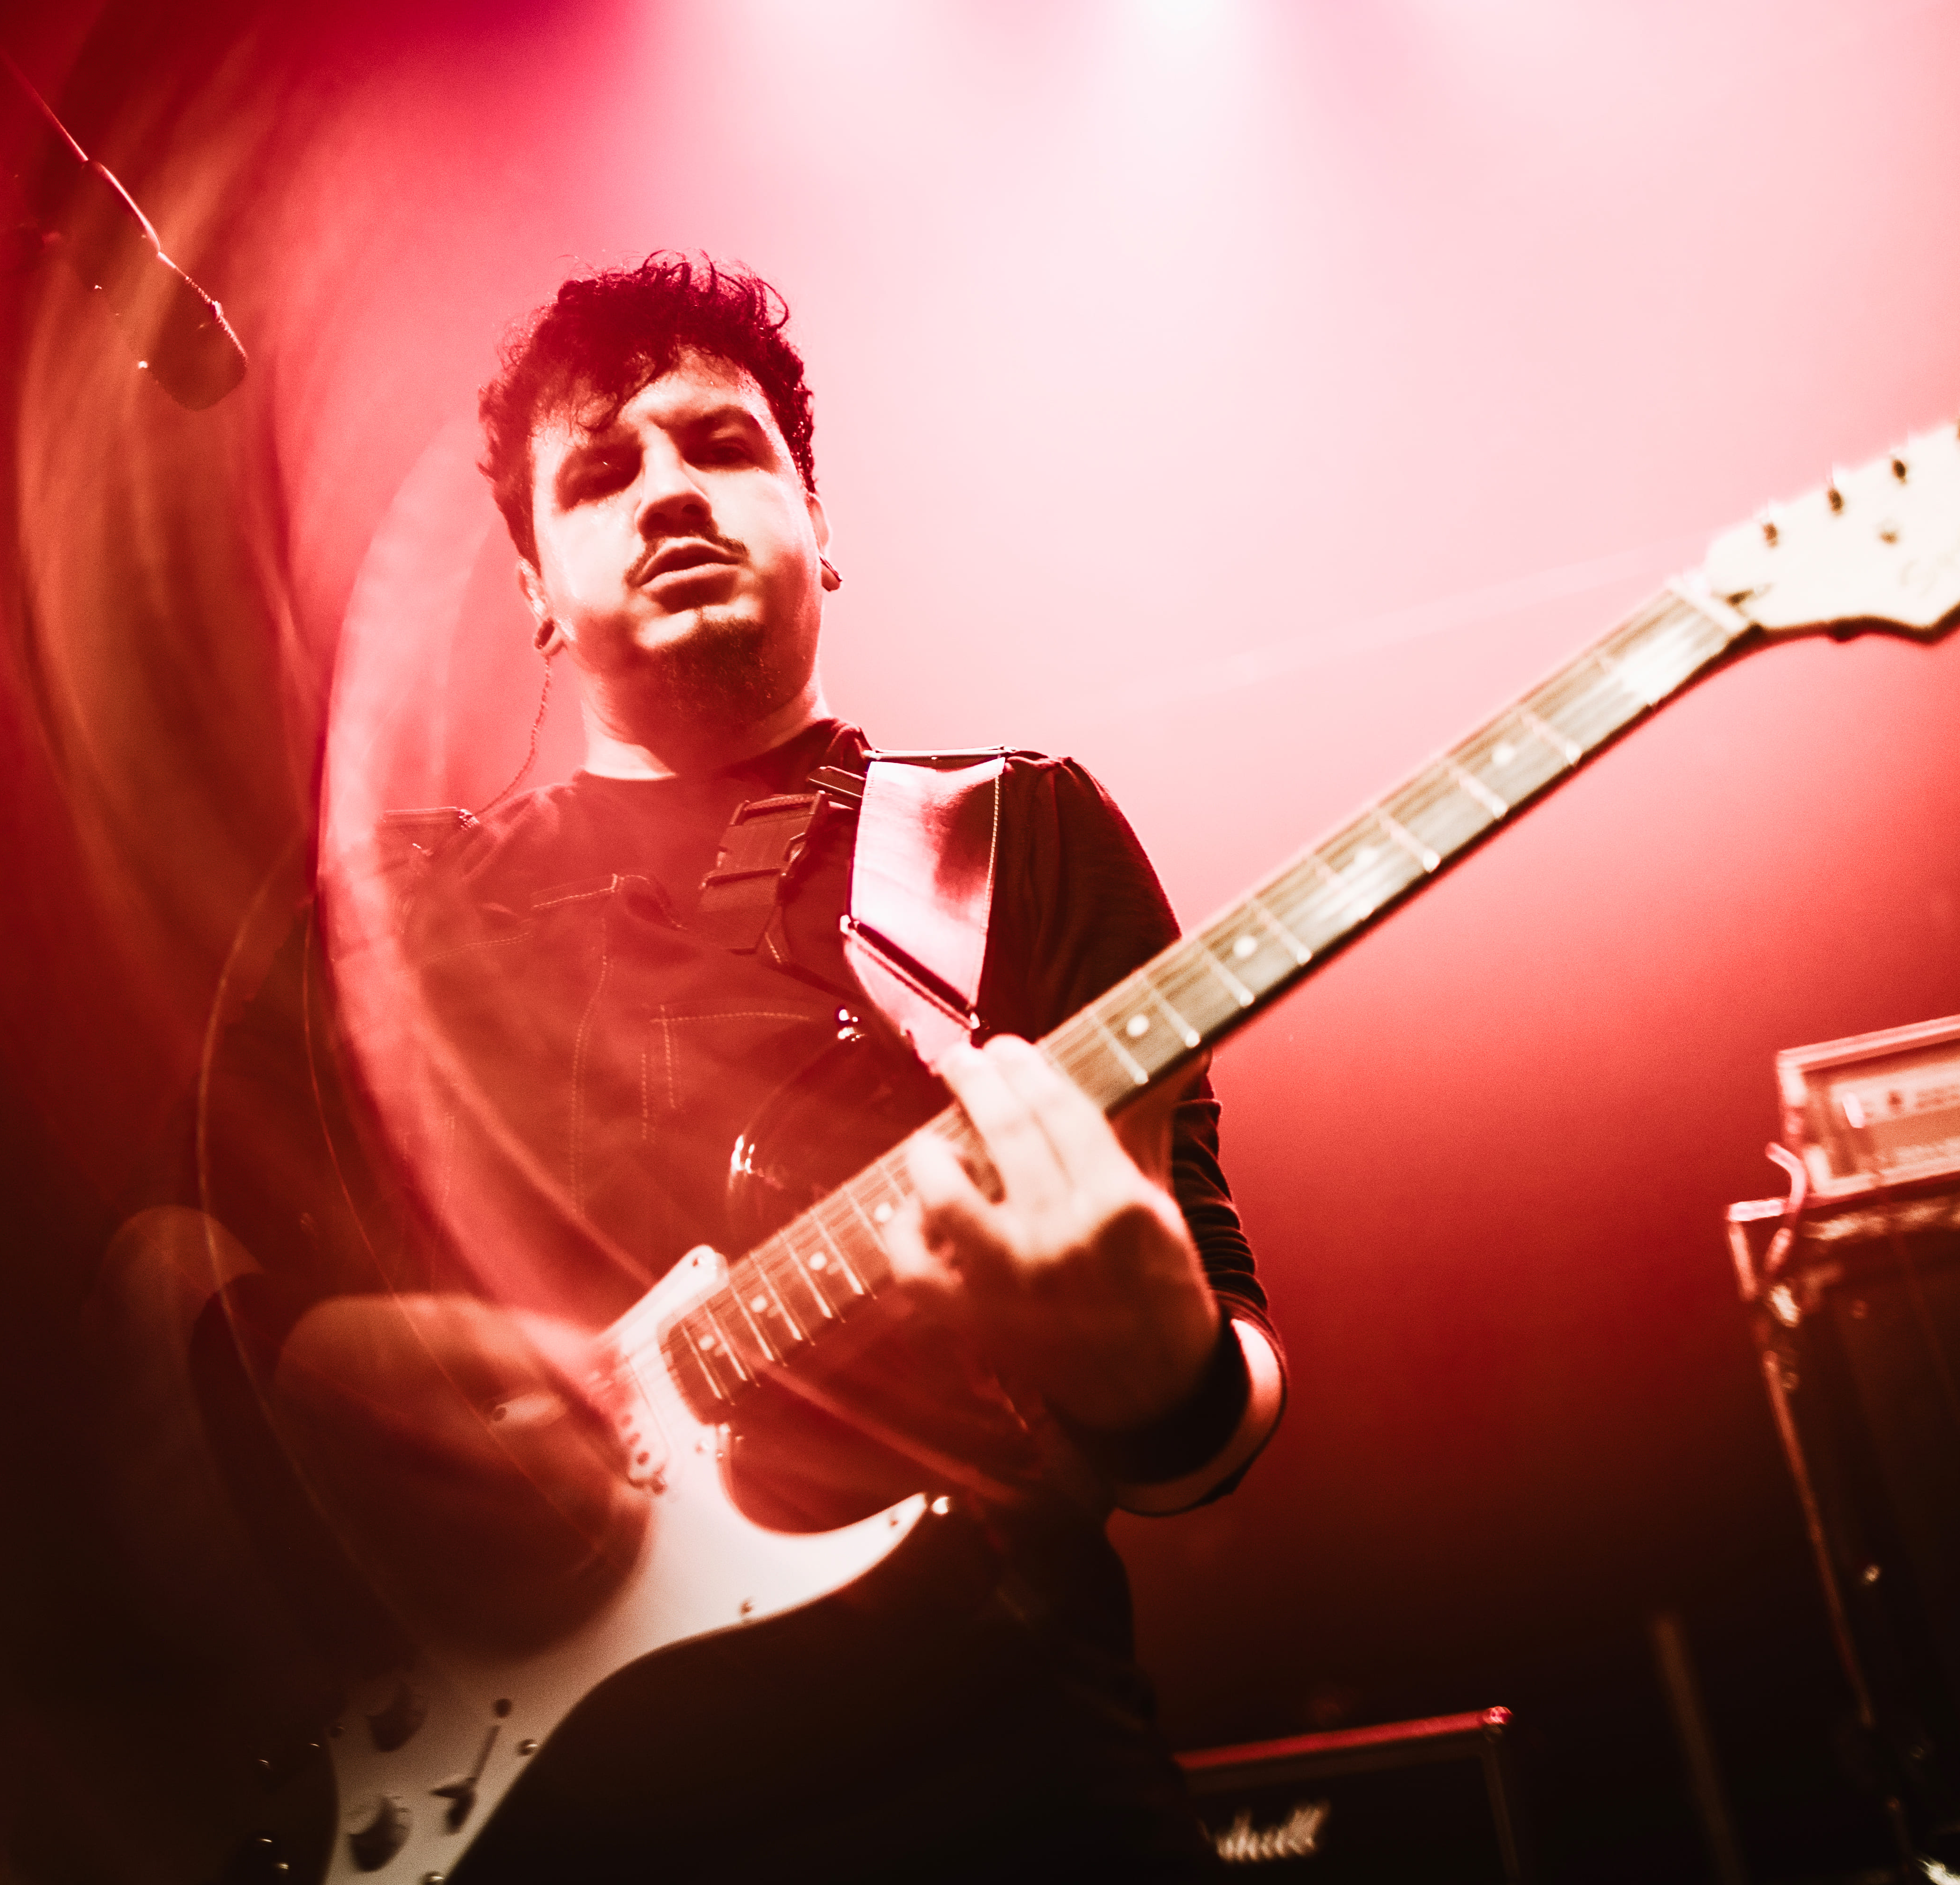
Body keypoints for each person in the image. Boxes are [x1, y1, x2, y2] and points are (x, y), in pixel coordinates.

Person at [196, 256, 1283, 1882]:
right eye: (601, 473)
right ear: (534, 591)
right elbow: (173, 1297)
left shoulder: (1016, 831)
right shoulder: (390, 911)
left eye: (722, 445)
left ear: (819, 530)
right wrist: (348, 1380)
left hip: (992, 1757)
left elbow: (1208, 1416)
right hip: (543, 1800)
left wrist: (1161, 1365)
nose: (669, 493)